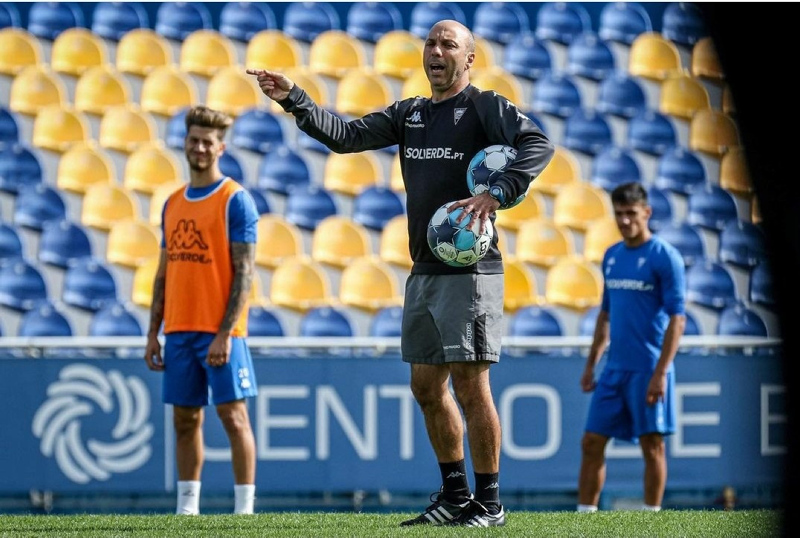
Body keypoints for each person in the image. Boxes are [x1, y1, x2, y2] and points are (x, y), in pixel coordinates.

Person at [248, 19, 553, 527]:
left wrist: (495, 191)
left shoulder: (485, 106)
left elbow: (538, 144)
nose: (436, 51)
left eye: (448, 44)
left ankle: (491, 503)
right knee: (426, 387)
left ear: (469, 59)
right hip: (424, 269)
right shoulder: (410, 114)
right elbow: (345, 138)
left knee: (472, 387)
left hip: (471, 271)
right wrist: (295, 98)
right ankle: (454, 496)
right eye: (430, 43)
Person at [143, 105, 261, 516]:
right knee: (184, 419)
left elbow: (244, 272)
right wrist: (152, 331)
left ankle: (244, 510)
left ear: (221, 147)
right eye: (193, 140)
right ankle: (187, 509)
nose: (199, 147)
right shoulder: (172, 202)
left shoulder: (235, 200)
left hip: (221, 331)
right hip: (178, 329)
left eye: (207, 142)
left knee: (233, 416)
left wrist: (224, 332)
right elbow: (163, 272)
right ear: (185, 143)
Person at [577, 182, 687, 513]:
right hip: (614, 369)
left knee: (652, 445)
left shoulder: (665, 257)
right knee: (592, 442)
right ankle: (585, 520)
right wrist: (591, 364)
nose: (625, 221)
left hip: (648, 368)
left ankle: (651, 518)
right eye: (619, 214)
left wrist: (660, 373)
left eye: (631, 214)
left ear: (647, 213)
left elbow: (677, 320)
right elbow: (606, 315)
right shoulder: (612, 255)